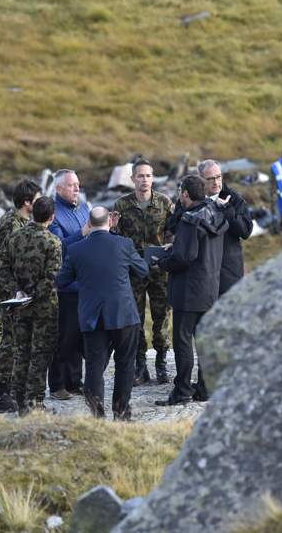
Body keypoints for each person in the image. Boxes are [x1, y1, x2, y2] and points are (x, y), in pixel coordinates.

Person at [57, 207, 148, 420]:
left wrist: (86, 280)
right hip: (123, 313)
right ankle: (121, 413)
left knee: (94, 367)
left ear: (89, 223)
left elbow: (61, 281)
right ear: (110, 221)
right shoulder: (124, 244)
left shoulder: (77, 250)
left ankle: (97, 414)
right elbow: (142, 271)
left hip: (92, 316)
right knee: (125, 365)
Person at [155, 175, 228, 406]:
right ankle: (205, 388)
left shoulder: (190, 220)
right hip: (210, 287)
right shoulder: (216, 213)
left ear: (185, 194)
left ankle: (182, 390)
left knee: (183, 341)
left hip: (188, 290)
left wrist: (162, 262)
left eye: (180, 193)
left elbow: (184, 257)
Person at [0, 196, 63, 415]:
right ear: (52, 217)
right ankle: (34, 403)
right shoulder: (53, 242)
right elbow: (51, 276)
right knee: (40, 355)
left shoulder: (15, 237)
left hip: (19, 305)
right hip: (44, 308)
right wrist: (33, 294)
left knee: (21, 352)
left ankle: (17, 399)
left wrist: (17, 290)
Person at [112, 159, 174, 385]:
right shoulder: (121, 205)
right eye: (140, 176)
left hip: (159, 270)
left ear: (153, 178)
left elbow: (172, 233)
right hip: (133, 272)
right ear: (132, 179)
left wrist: (169, 249)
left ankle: (161, 362)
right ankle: (140, 364)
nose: (144, 180)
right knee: (135, 318)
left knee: (162, 317)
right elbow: (115, 238)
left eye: (148, 176)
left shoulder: (165, 203)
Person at [0, 179, 42, 413]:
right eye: (37, 200)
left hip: (12, 293)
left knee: (16, 341)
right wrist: (14, 292)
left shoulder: (18, 221)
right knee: (11, 342)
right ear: (27, 202)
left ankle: (8, 389)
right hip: (9, 295)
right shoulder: (13, 224)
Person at [47, 169, 90, 400]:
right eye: (72, 185)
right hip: (65, 287)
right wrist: (83, 233)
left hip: (84, 284)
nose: (77, 189)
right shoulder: (52, 213)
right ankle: (57, 385)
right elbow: (58, 246)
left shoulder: (84, 209)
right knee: (63, 338)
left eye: (78, 184)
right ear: (58, 189)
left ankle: (75, 382)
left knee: (79, 336)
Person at [198, 159, 253, 297]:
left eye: (218, 177)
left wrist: (227, 210)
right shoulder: (192, 198)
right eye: (210, 179)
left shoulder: (234, 199)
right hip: (200, 272)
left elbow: (245, 231)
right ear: (201, 180)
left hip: (228, 270)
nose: (216, 182)